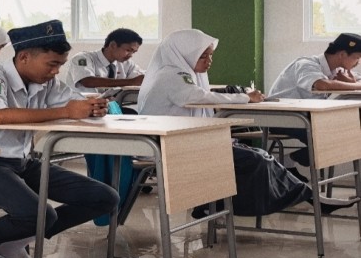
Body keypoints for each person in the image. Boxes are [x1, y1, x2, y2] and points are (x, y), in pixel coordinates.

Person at [0, 20, 118, 258]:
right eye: (52, 64)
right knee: (40, 215)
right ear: (24, 57)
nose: (56, 72)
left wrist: (92, 107)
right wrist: (67, 112)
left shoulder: (46, 82)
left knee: (105, 197)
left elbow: (74, 101)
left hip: (19, 160)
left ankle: (9, 242)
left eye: (60, 65)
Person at [137, 29, 359, 217]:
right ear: (184, 53)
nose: (209, 61)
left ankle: (308, 197)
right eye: (203, 56)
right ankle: (215, 204)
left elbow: (200, 96)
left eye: (210, 55)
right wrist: (245, 97)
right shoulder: (171, 74)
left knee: (261, 157)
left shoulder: (185, 73)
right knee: (256, 160)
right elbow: (196, 97)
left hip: (187, 140)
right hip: (171, 145)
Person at [267, 32, 361, 180]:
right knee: (335, 136)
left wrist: (352, 83)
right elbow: (321, 85)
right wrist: (354, 85)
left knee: (348, 133)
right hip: (282, 118)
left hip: (306, 118)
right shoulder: (306, 64)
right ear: (342, 54)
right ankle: (283, 163)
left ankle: (287, 161)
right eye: (356, 58)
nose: (358, 63)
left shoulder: (338, 71)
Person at [63, 28, 145, 93]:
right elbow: (87, 81)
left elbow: (140, 78)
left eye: (134, 52)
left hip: (109, 106)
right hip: (80, 105)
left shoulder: (127, 63)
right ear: (113, 45)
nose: (130, 55)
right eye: (128, 50)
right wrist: (131, 82)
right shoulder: (82, 58)